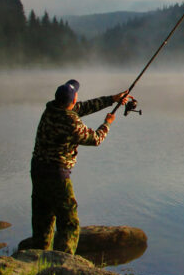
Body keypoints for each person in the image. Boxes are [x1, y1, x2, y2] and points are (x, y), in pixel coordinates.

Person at [26, 79, 133, 254]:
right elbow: (95, 139)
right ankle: (63, 263)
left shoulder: (51, 109)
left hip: (38, 169)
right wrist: (107, 123)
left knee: (42, 217)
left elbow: (83, 107)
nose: (78, 97)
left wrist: (113, 99)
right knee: (69, 222)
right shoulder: (70, 122)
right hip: (56, 173)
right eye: (76, 94)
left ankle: (38, 256)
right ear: (73, 100)